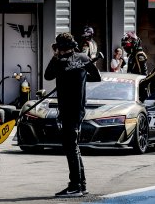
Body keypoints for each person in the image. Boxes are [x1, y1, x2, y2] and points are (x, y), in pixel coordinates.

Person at [45, 32, 101, 197]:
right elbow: (97, 77)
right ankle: (81, 185)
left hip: (69, 109)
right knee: (73, 146)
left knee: (70, 147)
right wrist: (80, 75)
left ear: (59, 47)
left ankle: (75, 186)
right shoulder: (83, 58)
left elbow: (47, 75)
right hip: (78, 109)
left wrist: (57, 59)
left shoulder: (60, 61)